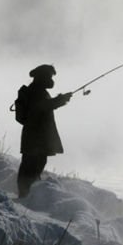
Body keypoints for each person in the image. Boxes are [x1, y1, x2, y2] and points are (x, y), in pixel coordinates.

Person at [18, 64, 72, 197]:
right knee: (33, 166)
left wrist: (60, 99)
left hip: (35, 136)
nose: (52, 80)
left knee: (31, 165)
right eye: (50, 76)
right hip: (36, 138)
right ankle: (26, 195)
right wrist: (61, 100)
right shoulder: (37, 91)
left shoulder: (36, 90)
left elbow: (45, 106)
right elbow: (43, 106)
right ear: (43, 76)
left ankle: (27, 194)